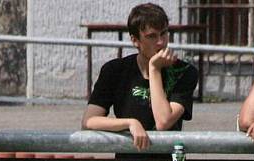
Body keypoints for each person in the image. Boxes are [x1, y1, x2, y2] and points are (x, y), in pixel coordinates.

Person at [81, 3, 198, 151]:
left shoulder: (185, 72)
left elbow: (163, 122)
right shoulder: (114, 70)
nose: (161, 42)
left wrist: (154, 69)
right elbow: (89, 121)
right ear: (135, 40)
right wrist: (130, 123)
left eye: (164, 33)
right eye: (152, 36)